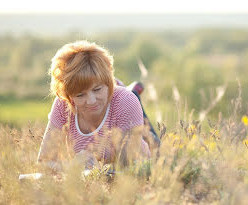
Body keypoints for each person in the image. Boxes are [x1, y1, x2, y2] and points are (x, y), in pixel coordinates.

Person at [37, 40, 158, 170]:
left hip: (138, 169)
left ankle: (133, 92)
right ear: (69, 95)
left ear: (108, 82)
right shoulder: (63, 105)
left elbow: (127, 169)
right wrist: (72, 167)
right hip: (90, 179)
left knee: (157, 148)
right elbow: (43, 163)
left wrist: (99, 170)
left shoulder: (126, 101)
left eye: (97, 89)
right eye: (80, 95)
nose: (91, 101)